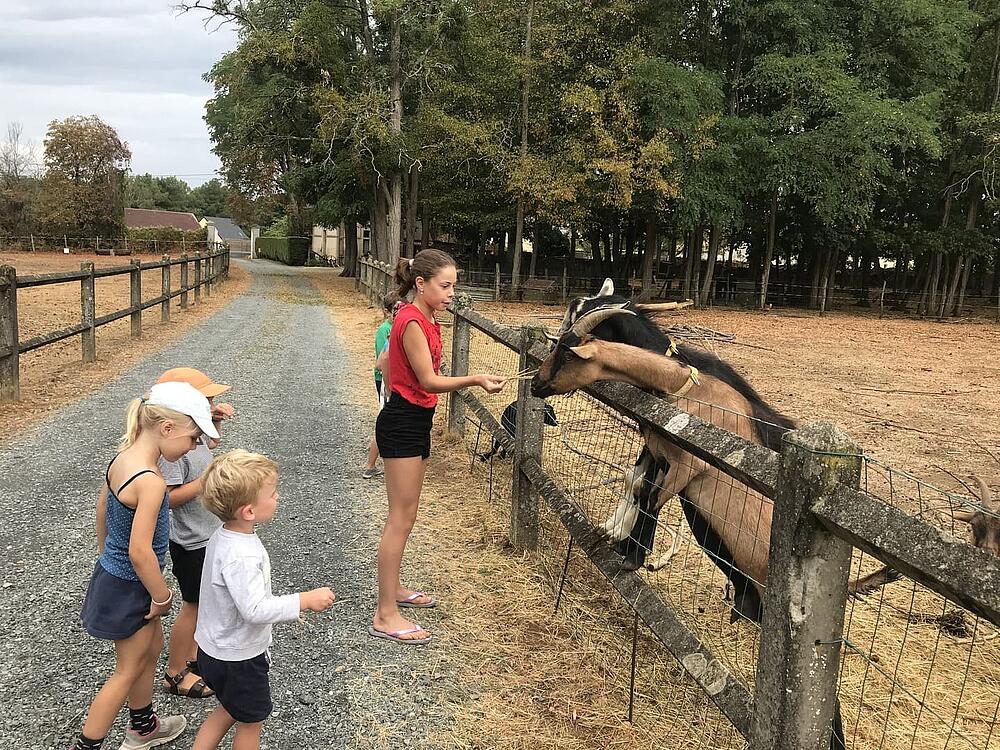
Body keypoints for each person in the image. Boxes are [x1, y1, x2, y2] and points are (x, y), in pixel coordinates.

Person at [72, 381, 220, 750]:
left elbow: (103, 509)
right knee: (126, 670)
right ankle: (86, 745)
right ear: (166, 429)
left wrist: (107, 553)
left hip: (117, 575)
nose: (194, 447)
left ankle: (143, 726)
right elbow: (141, 552)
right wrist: (162, 594)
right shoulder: (151, 482)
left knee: (151, 650)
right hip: (134, 584)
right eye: (193, 438)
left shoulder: (124, 458)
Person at [370, 248, 506, 645]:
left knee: (406, 516)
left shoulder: (427, 319)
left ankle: (392, 590)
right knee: (400, 519)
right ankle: (385, 613)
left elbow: (390, 364)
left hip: (415, 420)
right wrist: (475, 378)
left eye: (453, 285)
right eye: (445, 286)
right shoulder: (412, 320)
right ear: (421, 284)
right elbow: (429, 381)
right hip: (402, 424)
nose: (451, 293)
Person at [191, 450, 337, 750]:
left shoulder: (222, 536)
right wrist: (303, 600)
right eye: (272, 493)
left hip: (213, 650)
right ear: (248, 511)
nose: (278, 497)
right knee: (251, 722)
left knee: (229, 710)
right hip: (238, 658)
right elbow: (254, 610)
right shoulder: (243, 555)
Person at [156, 368, 234, 699]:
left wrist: (213, 421)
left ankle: (191, 658)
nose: (213, 401)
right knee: (193, 605)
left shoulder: (192, 433)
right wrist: (206, 481)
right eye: (207, 399)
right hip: (190, 540)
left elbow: (212, 442)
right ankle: (174, 672)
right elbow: (167, 499)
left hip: (206, 532)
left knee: (205, 602)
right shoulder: (171, 453)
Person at [363, 293, 401, 479]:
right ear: (387, 311)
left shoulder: (396, 328)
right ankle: (370, 465)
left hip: (393, 380)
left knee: (389, 420)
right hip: (386, 380)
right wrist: (388, 383)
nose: (399, 313)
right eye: (395, 309)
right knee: (385, 421)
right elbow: (381, 361)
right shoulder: (385, 330)